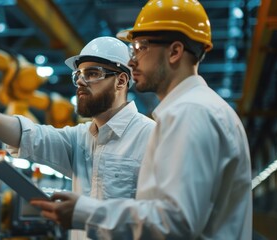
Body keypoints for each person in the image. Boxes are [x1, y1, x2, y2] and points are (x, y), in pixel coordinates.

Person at [30, 1, 252, 239]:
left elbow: (175, 223)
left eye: (140, 47)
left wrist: (85, 212)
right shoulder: (199, 108)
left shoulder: (190, 113)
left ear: (175, 52)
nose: (132, 60)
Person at [0, 36, 156, 239]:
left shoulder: (151, 138)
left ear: (121, 81)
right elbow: (27, 134)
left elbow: (164, 220)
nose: (80, 81)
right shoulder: (80, 138)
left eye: (92, 74)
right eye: (78, 74)